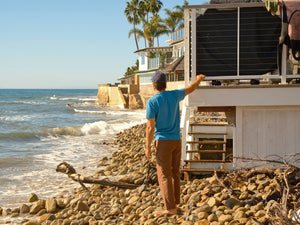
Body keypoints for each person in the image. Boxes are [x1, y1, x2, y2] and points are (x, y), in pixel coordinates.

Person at [145, 71, 206, 215]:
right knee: (174, 172)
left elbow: (150, 127)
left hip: (163, 141)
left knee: (164, 175)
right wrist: (199, 79)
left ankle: (170, 208)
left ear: (154, 84)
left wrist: (147, 146)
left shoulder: (152, 102)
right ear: (165, 84)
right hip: (176, 140)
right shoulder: (174, 95)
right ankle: (175, 202)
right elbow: (191, 88)